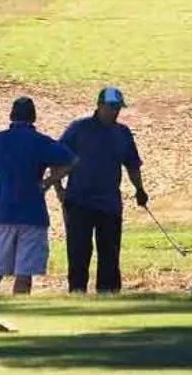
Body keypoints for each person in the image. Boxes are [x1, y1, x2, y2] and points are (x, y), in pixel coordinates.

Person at [0, 96, 74, 294]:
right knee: (24, 274)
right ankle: (20, 314)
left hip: (3, 215)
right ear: (33, 117)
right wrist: (49, 182)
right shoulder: (40, 141)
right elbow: (71, 160)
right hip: (33, 216)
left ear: (11, 115)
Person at [58, 86, 146, 294]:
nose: (115, 112)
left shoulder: (122, 133)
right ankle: (77, 293)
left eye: (118, 108)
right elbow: (57, 157)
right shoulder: (78, 129)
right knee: (78, 252)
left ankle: (109, 295)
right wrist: (58, 189)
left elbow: (132, 165)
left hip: (109, 203)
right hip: (79, 201)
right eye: (111, 107)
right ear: (99, 106)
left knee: (110, 254)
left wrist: (140, 190)